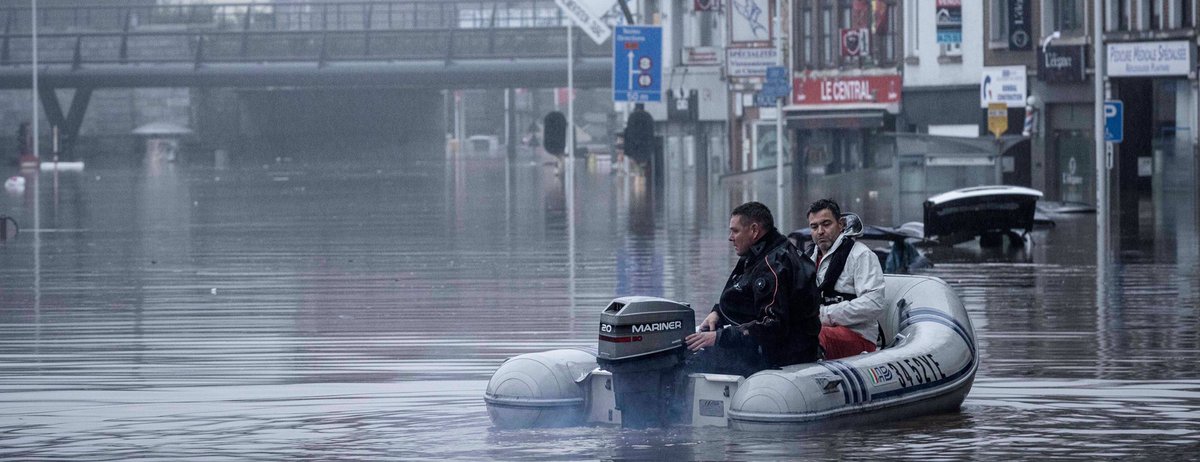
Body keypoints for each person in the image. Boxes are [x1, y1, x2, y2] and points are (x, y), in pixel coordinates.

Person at [683, 201, 821, 377]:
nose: (730, 238)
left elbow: (773, 325)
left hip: (780, 356)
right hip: (762, 348)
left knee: (687, 365)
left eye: (735, 231)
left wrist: (719, 337)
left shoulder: (773, 266)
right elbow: (742, 294)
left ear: (754, 230)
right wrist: (717, 312)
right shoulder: (759, 254)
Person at [804, 198, 886, 360]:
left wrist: (823, 315)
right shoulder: (807, 260)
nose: (820, 231)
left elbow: (874, 303)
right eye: (814, 227)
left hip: (858, 336)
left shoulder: (861, 255)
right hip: (819, 330)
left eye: (826, 224)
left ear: (841, 224)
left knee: (811, 335)